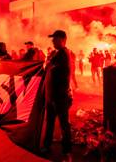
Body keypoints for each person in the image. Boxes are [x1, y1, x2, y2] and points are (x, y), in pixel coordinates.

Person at [42, 30, 72, 161]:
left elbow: (58, 74)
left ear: (63, 39)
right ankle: (46, 145)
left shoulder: (63, 54)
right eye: (52, 39)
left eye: (55, 39)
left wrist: (48, 64)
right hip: (52, 96)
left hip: (59, 97)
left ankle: (67, 152)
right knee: (50, 122)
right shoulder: (56, 53)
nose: (53, 41)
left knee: (64, 125)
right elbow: (48, 70)